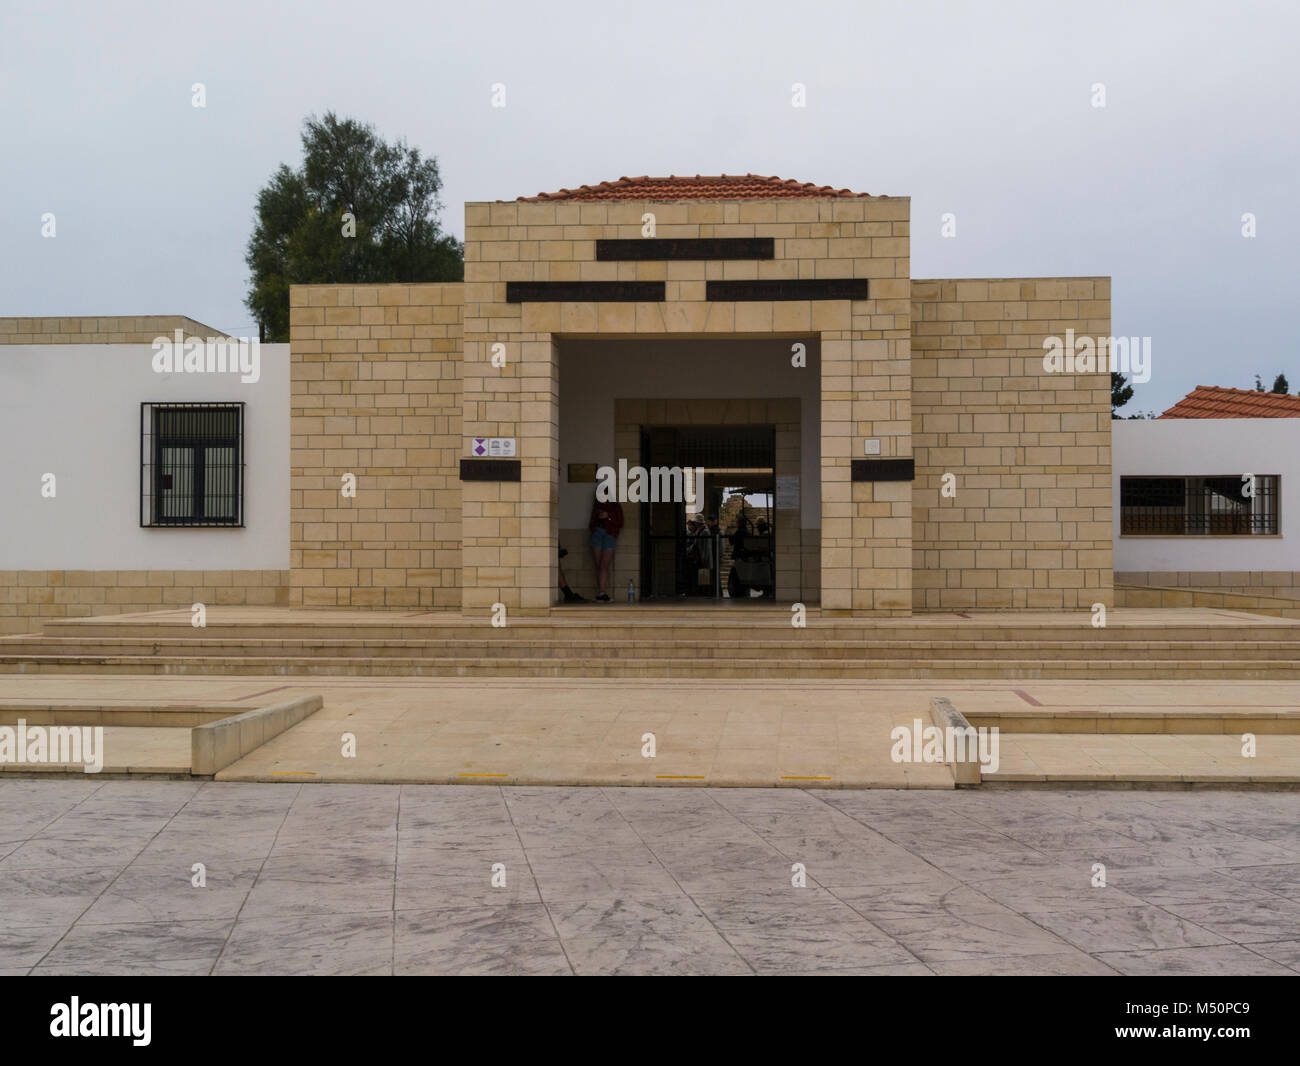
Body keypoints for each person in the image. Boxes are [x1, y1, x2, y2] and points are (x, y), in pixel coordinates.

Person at [588, 493, 624, 603]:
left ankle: (602, 592)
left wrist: (608, 517)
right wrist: (597, 521)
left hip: (609, 535)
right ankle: (601, 593)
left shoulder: (615, 506)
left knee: (604, 565)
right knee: (598, 565)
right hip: (597, 533)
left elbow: (620, 522)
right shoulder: (597, 506)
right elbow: (591, 523)